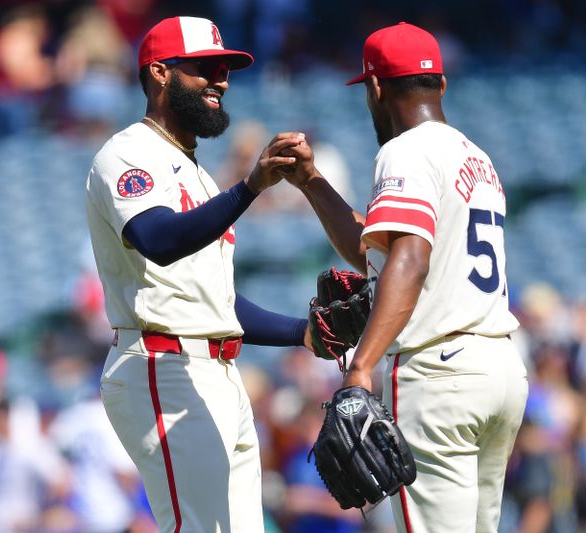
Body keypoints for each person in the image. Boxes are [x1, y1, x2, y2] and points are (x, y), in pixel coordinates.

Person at [284, 22, 528, 533]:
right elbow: (385, 250)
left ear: (375, 88)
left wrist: (360, 368)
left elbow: (410, 260)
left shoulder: (406, 150)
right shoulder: (476, 157)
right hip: (499, 367)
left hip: (440, 375)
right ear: (441, 84)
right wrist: (312, 182)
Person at [84, 16, 311, 532]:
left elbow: (216, 300)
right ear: (160, 73)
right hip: (163, 367)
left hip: (216, 372)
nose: (222, 80)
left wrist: (301, 332)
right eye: (205, 68)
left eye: (225, 69)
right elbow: (159, 241)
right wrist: (250, 188)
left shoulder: (200, 177)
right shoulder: (127, 153)